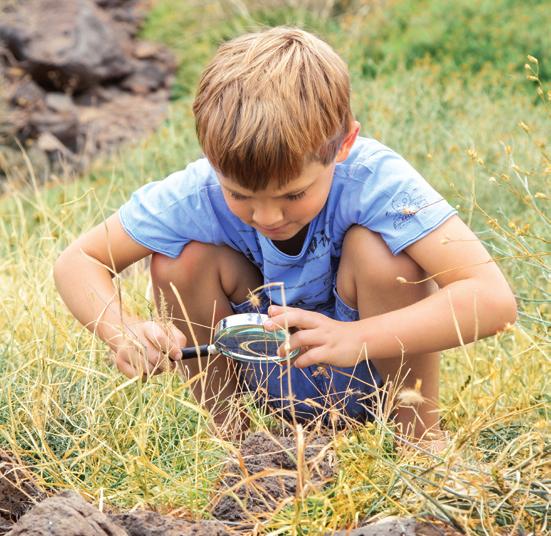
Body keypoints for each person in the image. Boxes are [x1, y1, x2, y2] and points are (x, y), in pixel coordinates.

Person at [54, 27, 517, 443]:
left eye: (293, 194)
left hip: (370, 369)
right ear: (212, 161)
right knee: (180, 261)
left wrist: (357, 338)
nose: (267, 215)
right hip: (265, 377)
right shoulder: (196, 193)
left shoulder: (379, 181)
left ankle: (419, 440)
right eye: (239, 195)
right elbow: (78, 262)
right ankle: (233, 445)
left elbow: (493, 300)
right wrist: (124, 331)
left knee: (382, 254)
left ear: (344, 145)